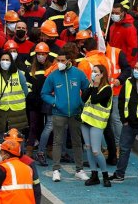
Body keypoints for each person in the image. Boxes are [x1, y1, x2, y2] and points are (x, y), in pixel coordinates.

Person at [41, 49, 90, 182]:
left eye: (63, 61)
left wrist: (81, 103)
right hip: (58, 113)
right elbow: (44, 93)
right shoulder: (53, 76)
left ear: (69, 61)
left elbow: (87, 90)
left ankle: (79, 170)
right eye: (58, 60)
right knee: (57, 141)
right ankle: (56, 170)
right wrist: (54, 102)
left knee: (77, 142)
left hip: (75, 114)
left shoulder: (78, 74)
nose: (60, 63)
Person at [81, 64, 113, 187]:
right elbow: (84, 98)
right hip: (86, 121)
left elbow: (94, 100)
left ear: (102, 74)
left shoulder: (107, 89)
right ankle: (94, 175)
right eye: (92, 71)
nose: (93, 74)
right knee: (88, 148)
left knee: (96, 151)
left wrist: (94, 85)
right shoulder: (92, 85)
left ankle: (105, 175)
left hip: (97, 124)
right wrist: (92, 84)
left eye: (95, 72)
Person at [0, 52, 29, 142]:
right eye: (3, 60)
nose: (5, 62)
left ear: (11, 61)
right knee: (1, 139)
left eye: (7, 60)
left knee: (17, 139)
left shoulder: (19, 74)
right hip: (0, 112)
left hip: (17, 112)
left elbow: (25, 91)